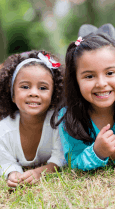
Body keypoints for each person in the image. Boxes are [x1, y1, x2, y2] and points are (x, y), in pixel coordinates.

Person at [54, 29, 115, 171]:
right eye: (89, 76)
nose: (101, 83)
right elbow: (74, 161)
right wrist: (97, 152)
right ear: (75, 81)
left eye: (110, 73)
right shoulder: (69, 115)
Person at [0, 50, 66, 187]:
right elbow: (5, 161)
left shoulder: (58, 123)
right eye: (25, 87)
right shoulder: (3, 130)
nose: (34, 93)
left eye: (43, 88)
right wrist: (13, 173)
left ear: (53, 95)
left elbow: (60, 158)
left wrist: (40, 172)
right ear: (12, 94)